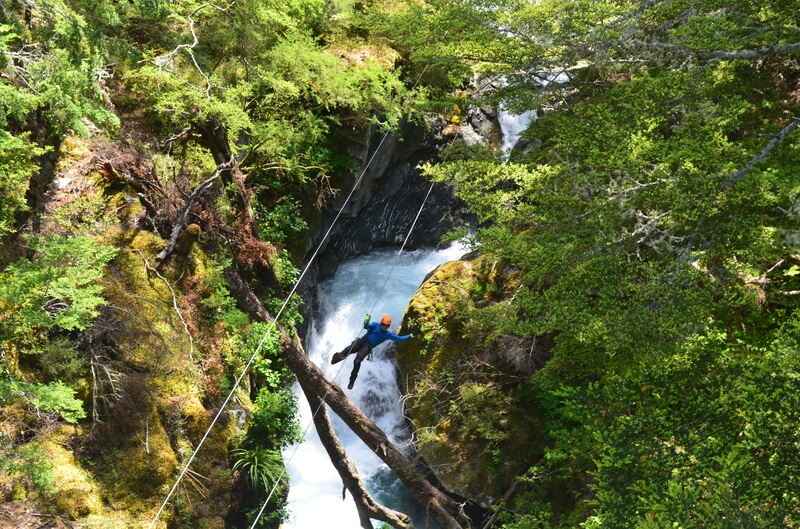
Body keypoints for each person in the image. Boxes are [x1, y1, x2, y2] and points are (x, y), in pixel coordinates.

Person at [331, 314, 414, 389]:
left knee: (357, 361)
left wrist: (412, 335)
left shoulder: (388, 335)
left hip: (368, 347)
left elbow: (400, 339)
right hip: (362, 341)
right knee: (348, 350)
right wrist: (366, 320)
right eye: (383, 324)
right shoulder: (375, 325)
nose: (384, 327)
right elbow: (366, 326)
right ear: (381, 323)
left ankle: (352, 380)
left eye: (387, 326)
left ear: (388, 326)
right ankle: (336, 358)